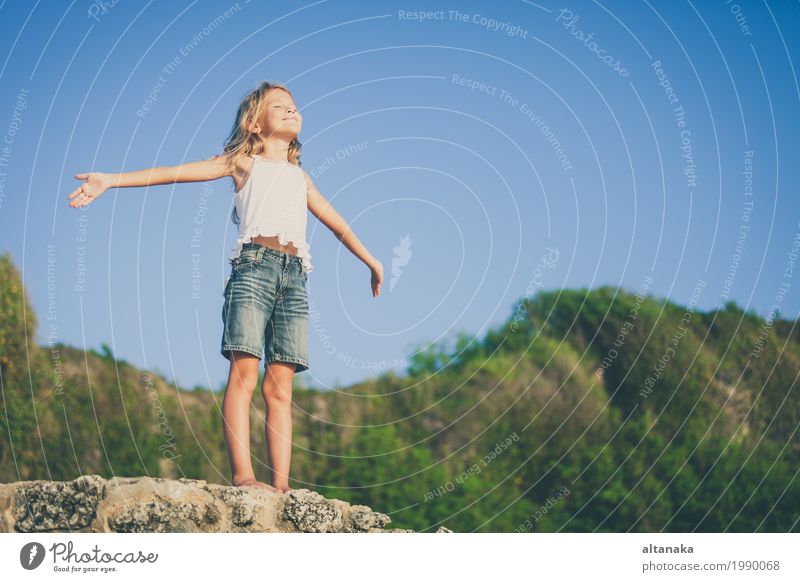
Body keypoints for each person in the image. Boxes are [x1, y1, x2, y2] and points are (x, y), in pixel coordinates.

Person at [67, 81, 384, 493]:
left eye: (294, 106)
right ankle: (243, 476)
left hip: (295, 278)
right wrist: (110, 180)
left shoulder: (301, 178)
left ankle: (282, 487)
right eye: (279, 106)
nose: (291, 110)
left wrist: (372, 261)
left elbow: (338, 223)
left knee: (281, 386)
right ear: (254, 123)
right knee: (244, 374)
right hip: (253, 269)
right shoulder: (242, 164)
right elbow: (172, 173)